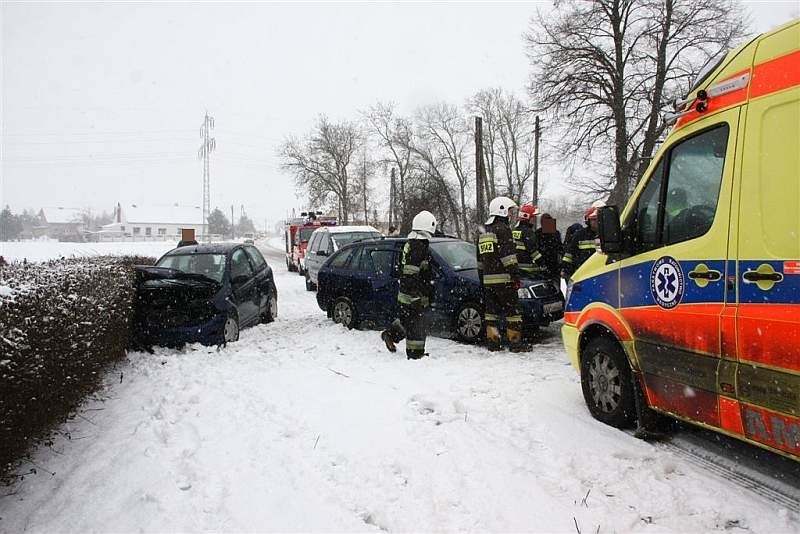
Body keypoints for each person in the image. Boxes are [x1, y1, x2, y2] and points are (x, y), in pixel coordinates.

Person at [381, 210, 437, 360]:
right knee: (417, 324)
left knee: (408, 321)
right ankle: (415, 354)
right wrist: (417, 296)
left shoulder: (412, 244)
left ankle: (391, 334)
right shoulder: (419, 247)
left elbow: (409, 273)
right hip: (414, 294)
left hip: (408, 293)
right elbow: (412, 273)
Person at [477, 196, 528, 352]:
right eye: (510, 211)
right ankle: (515, 343)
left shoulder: (483, 231)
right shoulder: (503, 229)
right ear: (502, 210)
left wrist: (482, 278)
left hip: (488, 281)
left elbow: (479, 259)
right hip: (504, 279)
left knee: (491, 313)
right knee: (513, 313)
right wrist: (515, 276)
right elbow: (509, 257)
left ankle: (493, 342)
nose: (511, 215)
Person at [561, 202, 604, 280]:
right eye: (593, 219)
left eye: (598, 219)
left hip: (601, 271)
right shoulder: (580, 234)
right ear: (588, 221)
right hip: (582, 272)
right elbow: (570, 253)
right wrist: (565, 268)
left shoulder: (606, 234)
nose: (596, 221)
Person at [513, 203, 542, 278]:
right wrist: (543, 264)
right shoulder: (528, 232)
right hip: (529, 271)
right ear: (527, 217)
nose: (534, 220)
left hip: (518, 269)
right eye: (533, 217)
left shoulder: (515, 230)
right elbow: (533, 251)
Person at [533, 213, 563, 285]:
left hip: (545, 265)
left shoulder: (538, 233)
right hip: (552, 266)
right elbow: (560, 249)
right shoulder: (555, 232)